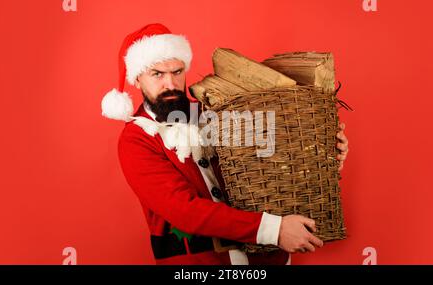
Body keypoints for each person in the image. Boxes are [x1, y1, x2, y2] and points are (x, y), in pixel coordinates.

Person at [101, 23, 349, 265]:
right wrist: (275, 230)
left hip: (266, 259)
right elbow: (184, 210)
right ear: (137, 79)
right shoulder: (137, 138)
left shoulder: (217, 111)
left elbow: (271, 165)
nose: (170, 84)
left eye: (177, 72)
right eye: (157, 74)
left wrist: (321, 156)